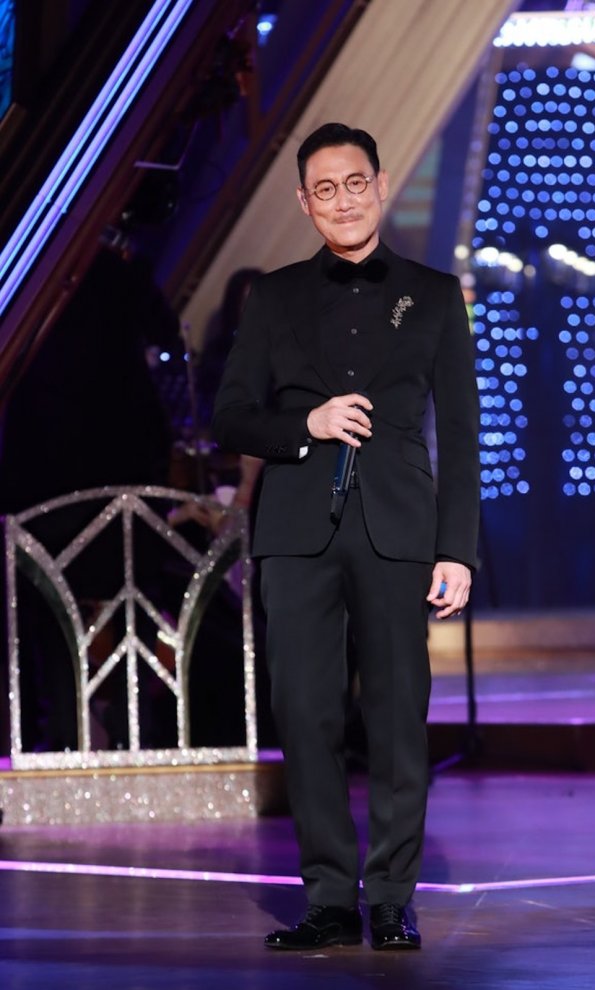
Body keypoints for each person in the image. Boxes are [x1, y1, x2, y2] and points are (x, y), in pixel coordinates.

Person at [212, 123, 480, 951]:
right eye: (324, 189)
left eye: (354, 182)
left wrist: (457, 549)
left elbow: (461, 433)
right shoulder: (273, 298)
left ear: (381, 184)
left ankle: (392, 896)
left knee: (397, 718)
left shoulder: (434, 295)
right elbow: (231, 416)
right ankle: (329, 897)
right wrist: (307, 425)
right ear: (305, 201)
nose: (342, 200)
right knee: (305, 713)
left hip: (399, 530)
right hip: (295, 533)